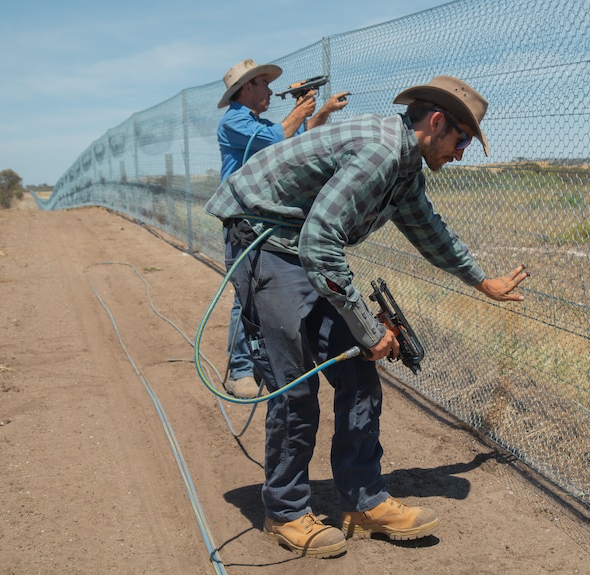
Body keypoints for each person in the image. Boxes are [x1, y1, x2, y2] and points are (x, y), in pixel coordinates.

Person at [204, 75, 529, 558]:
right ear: (436, 122)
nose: (461, 152)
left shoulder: (404, 167)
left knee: (358, 369)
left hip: (303, 247)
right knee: (297, 386)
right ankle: (287, 511)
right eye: (462, 138)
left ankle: (363, 502)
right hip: (267, 241)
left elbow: (428, 230)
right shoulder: (379, 151)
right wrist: (368, 326)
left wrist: (482, 280)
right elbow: (320, 241)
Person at [216, 59, 349, 398]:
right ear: (247, 88)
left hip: (262, 221)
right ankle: (241, 370)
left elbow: (296, 141)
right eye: (264, 84)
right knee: (245, 298)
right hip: (244, 222)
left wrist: (321, 112)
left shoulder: (255, 123)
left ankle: (259, 362)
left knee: (262, 292)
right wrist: (301, 109)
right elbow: (279, 136)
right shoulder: (234, 121)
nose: (271, 91)